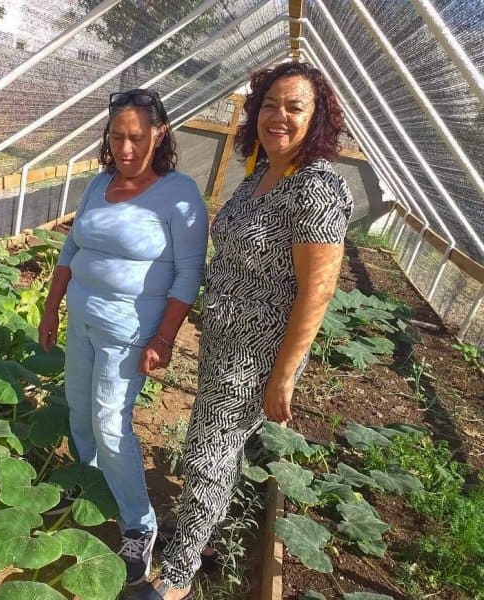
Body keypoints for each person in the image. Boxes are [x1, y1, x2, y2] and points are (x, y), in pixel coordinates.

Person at [132, 62, 353, 600]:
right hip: (223, 343)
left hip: (256, 356)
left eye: (295, 107)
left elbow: (316, 292)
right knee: (217, 447)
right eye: (271, 105)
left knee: (210, 451)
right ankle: (200, 538)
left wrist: (284, 375)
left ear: (316, 117)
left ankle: (178, 577)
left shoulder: (317, 190)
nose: (279, 117)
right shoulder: (263, 173)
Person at [38, 88, 208, 587]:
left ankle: (139, 524)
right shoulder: (99, 183)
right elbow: (70, 248)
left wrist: (165, 337)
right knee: (77, 408)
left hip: (129, 334)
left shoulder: (179, 194)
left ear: (160, 135)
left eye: (137, 137)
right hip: (81, 321)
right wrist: (51, 310)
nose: (126, 148)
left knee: (112, 425)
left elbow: (188, 273)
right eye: (117, 137)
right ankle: (88, 483)